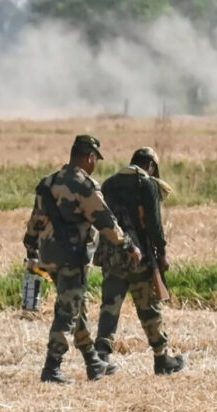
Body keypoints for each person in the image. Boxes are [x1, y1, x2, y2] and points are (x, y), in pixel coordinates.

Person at [23, 135, 141, 384]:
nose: (95, 164)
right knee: (68, 311)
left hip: (48, 256)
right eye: (95, 160)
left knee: (77, 306)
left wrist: (31, 247)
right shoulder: (84, 185)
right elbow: (105, 221)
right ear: (89, 157)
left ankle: (92, 361)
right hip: (71, 257)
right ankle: (52, 367)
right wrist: (128, 245)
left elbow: (35, 220)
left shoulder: (48, 182)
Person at [93, 147, 186, 376]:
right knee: (149, 307)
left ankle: (101, 358)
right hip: (140, 257)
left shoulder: (109, 184)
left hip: (112, 255)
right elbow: (154, 225)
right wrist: (162, 253)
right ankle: (161, 359)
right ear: (151, 165)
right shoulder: (147, 184)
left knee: (109, 307)